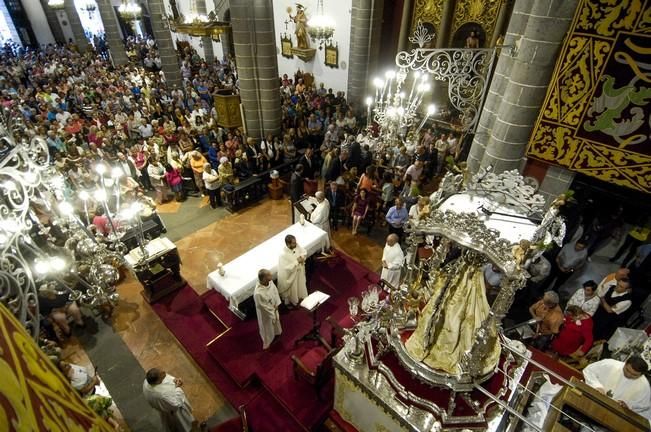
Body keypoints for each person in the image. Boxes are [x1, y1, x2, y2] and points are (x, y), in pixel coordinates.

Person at [583, 356, 651, 421]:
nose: (629, 375)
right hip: (591, 401)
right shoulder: (609, 364)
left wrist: (628, 405)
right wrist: (596, 386)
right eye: (627, 370)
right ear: (625, 363)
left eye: (634, 375)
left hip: (612, 415)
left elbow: (643, 406)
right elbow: (589, 370)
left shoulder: (644, 386)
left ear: (641, 375)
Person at [142, 368, 196, 432]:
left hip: (164, 406)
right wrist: (178, 387)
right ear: (157, 381)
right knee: (182, 424)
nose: (164, 372)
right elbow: (176, 404)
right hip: (174, 411)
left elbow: (165, 377)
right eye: (161, 374)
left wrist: (174, 379)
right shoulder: (161, 395)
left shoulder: (147, 381)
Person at [592, 276, 633, 341]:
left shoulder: (627, 301)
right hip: (596, 315)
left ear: (627, 289)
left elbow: (609, 310)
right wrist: (605, 304)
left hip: (605, 323)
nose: (617, 287)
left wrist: (602, 299)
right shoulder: (611, 287)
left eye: (621, 287)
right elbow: (598, 300)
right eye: (618, 284)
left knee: (592, 338)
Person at [254, 269, 282, 349]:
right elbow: (262, 306)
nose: (271, 276)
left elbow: (275, 292)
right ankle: (267, 341)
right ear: (263, 279)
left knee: (276, 322)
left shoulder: (270, 282)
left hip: (274, 307)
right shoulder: (258, 293)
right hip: (266, 313)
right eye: (269, 275)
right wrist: (272, 310)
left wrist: (276, 303)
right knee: (267, 326)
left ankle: (277, 332)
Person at [277, 234, 308, 306]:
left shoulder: (296, 246)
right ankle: (293, 302)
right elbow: (285, 269)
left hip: (299, 273)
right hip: (292, 276)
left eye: (295, 241)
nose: (296, 243)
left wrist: (302, 257)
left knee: (300, 286)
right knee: (293, 290)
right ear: (288, 244)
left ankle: (301, 297)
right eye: (293, 243)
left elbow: (304, 252)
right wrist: (297, 262)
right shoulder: (283, 255)